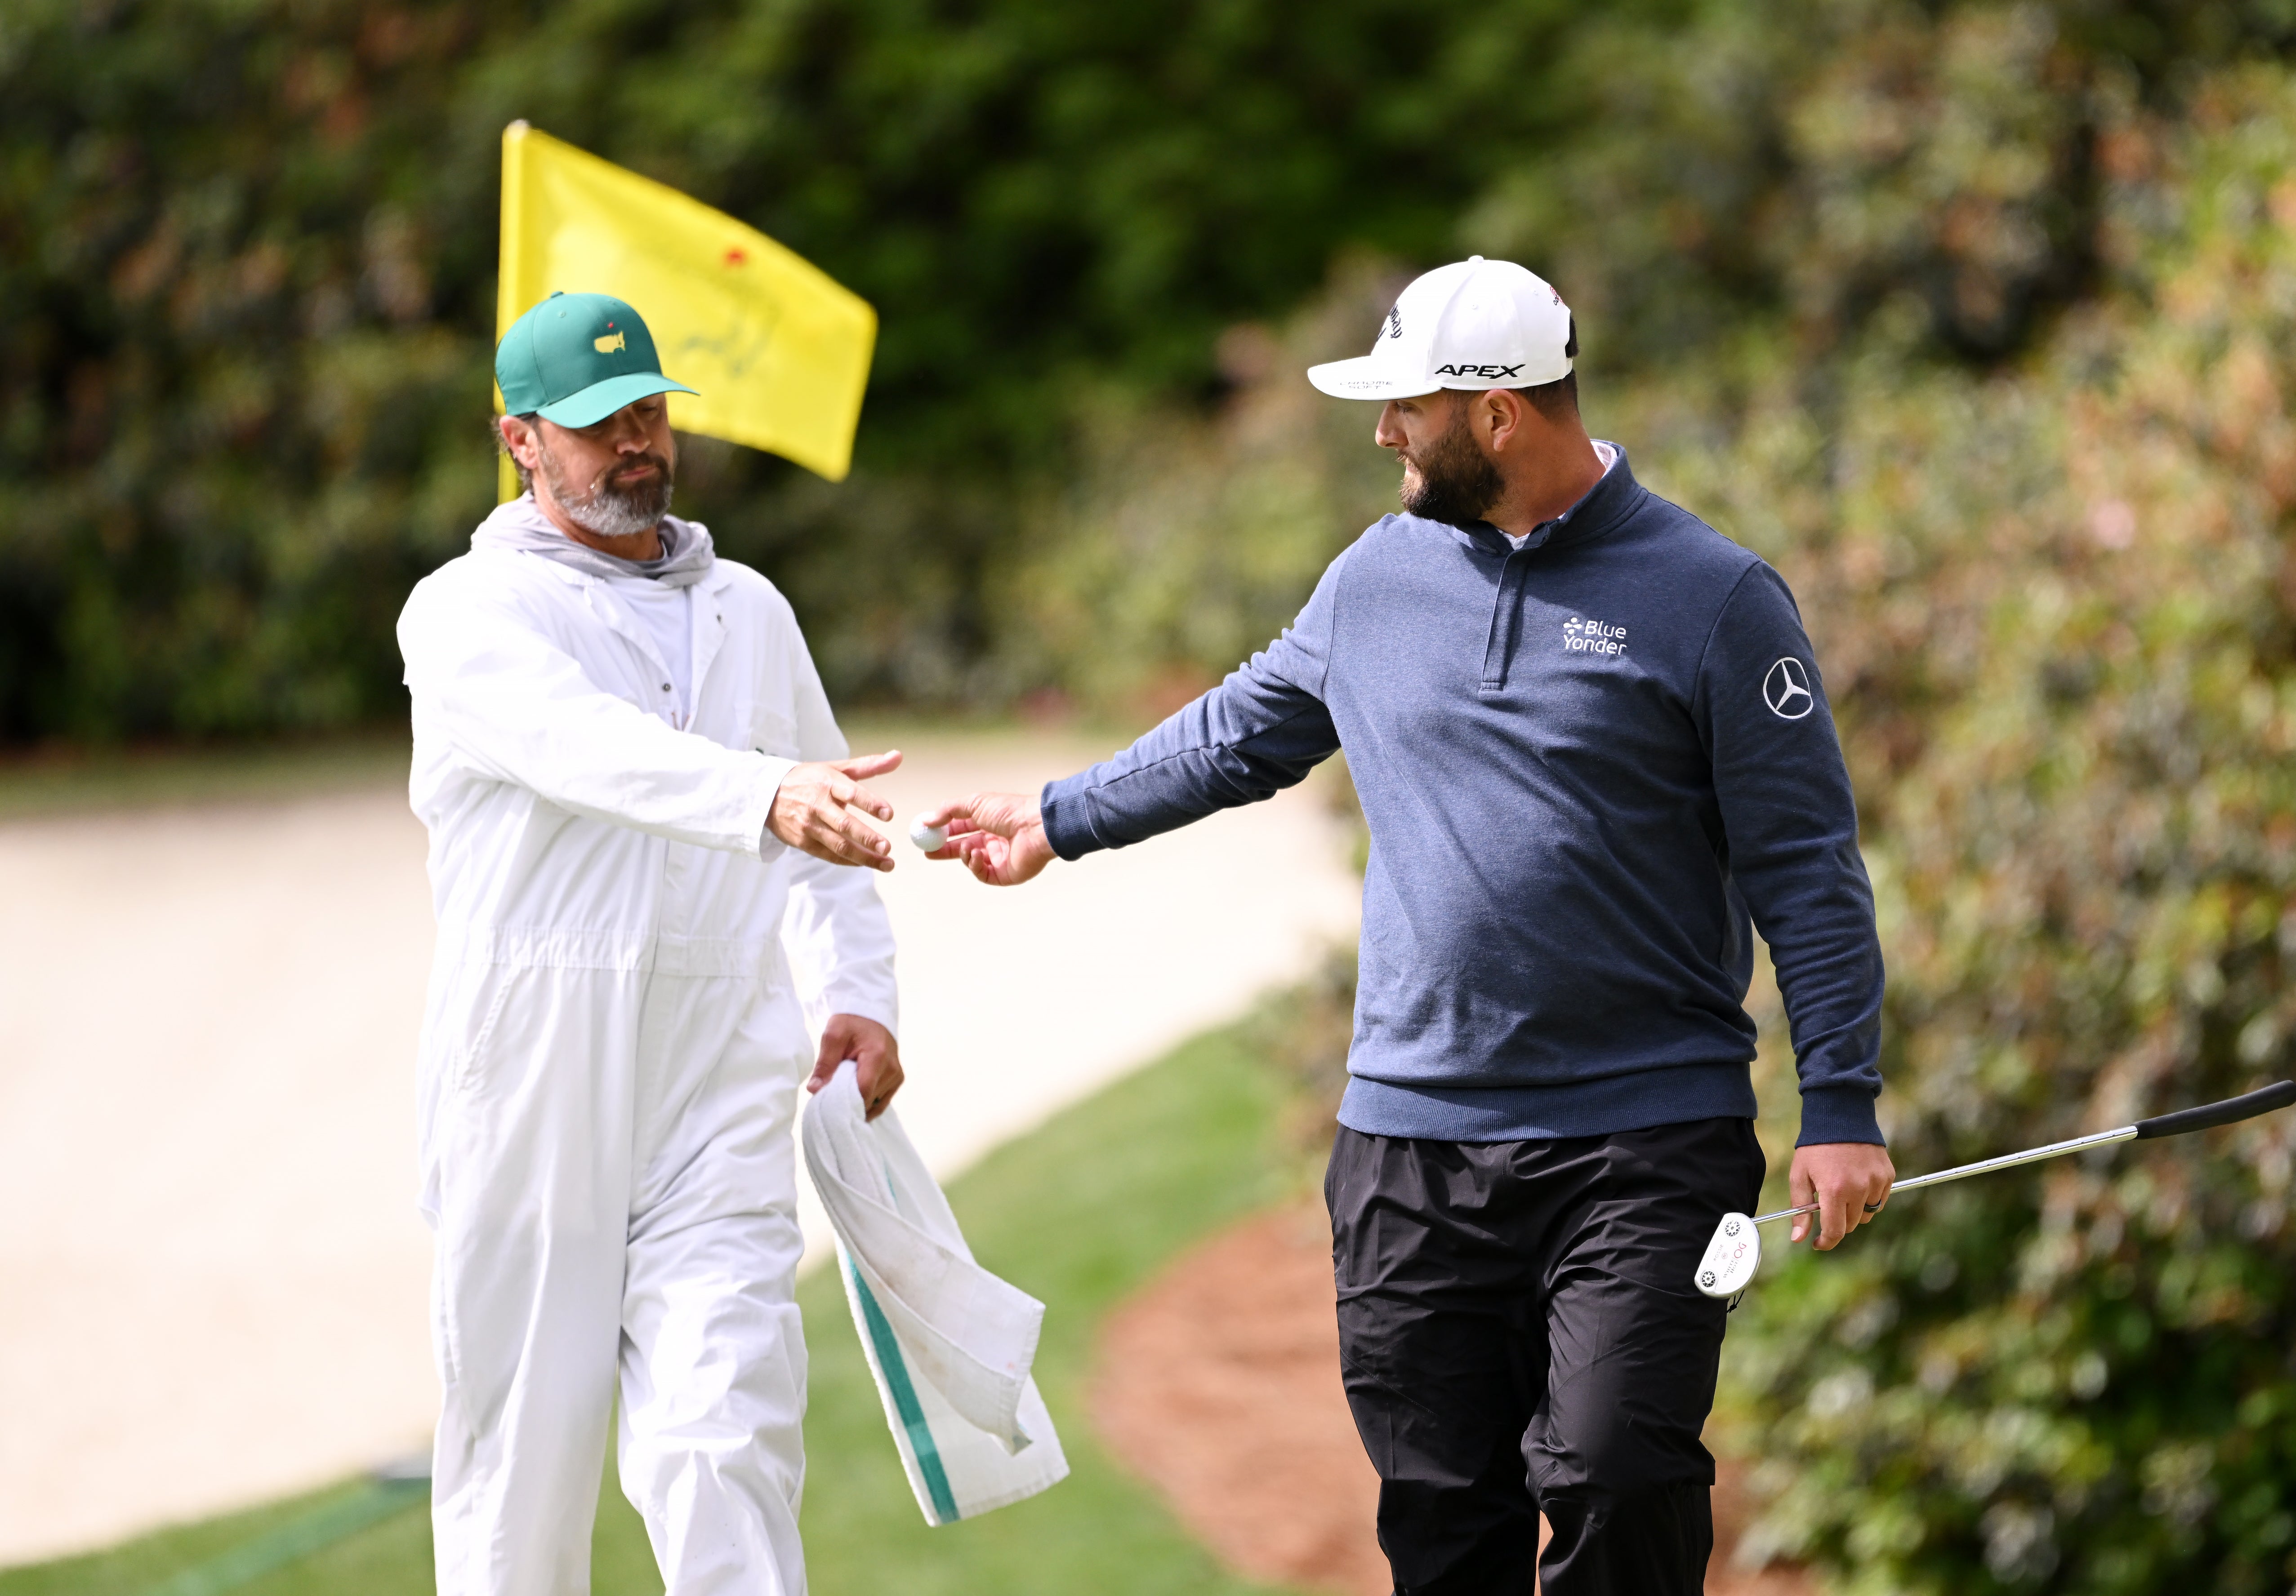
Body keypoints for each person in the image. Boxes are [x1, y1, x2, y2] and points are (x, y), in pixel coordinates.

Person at [921, 257, 1897, 1595]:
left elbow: (1809, 868)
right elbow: (1239, 733)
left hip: (1644, 1143)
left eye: (1406, 407)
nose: (1383, 432)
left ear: (1498, 415)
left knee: (1621, 1476)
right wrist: (1056, 817)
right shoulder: (1378, 578)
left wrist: (1842, 1101)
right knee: (1443, 1526)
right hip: (1410, 1149)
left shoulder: (1716, 600)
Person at [397, 291, 905, 1596]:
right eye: (596, 424)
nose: (636, 442)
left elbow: (826, 813)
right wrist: (760, 792)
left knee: (726, 1435)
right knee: (525, 1479)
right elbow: (583, 750)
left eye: (648, 411)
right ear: (519, 440)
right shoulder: (463, 614)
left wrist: (858, 990)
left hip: (720, 1067)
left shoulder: (748, 605)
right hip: (532, 1077)